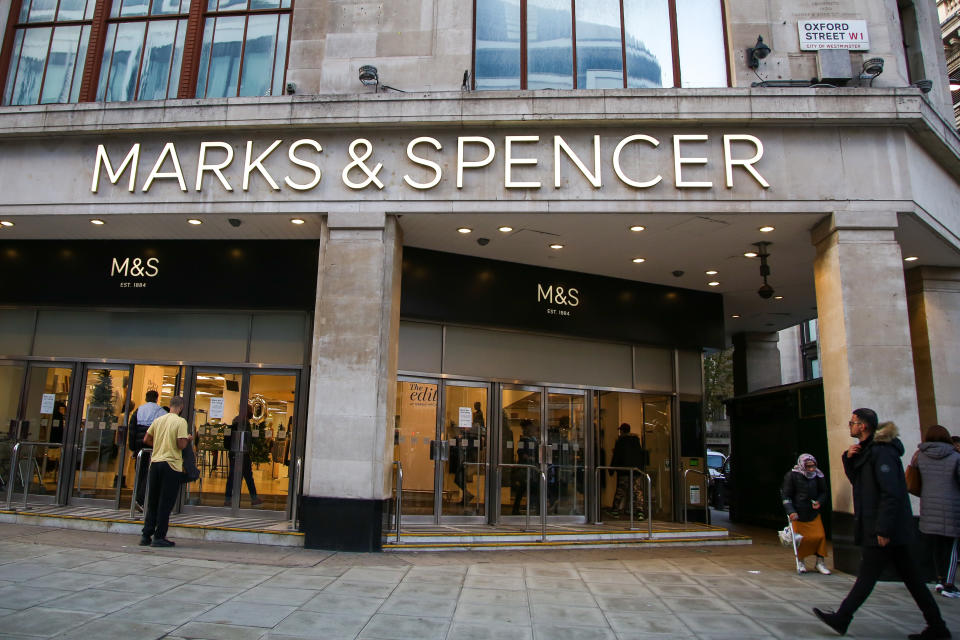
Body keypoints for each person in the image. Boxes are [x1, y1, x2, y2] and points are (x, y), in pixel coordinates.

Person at [813, 409, 950, 640]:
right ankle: (937, 626)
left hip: (886, 529)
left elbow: (891, 493)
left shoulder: (882, 452)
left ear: (863, 426)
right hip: (884, 527)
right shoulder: (867, 452)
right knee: (913, 581)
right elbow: (859, 482)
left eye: (853, 422)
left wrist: (883, 529)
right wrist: (848, 458)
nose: (850, 426)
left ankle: (843, 617)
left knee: (868, 577)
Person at [914, 424, 960, 599]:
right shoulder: (955, 457)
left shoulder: (920, 456)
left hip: (928, 507)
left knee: (937, 546)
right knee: (952, 548)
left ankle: (940, 579)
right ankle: (949, 584)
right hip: (952, 507)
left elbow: (916, 480)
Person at [139, 396, 189, 548]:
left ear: (170, 405)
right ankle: (159, 536)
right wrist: (188, 439)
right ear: (181, 407)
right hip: (171, 465)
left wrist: (159, 444)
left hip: (155, 463)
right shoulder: (180, 422)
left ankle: (146, 535)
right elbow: (181, 445)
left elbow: (146, 439)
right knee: (165, 502)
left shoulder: (159, 420)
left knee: (153, 500)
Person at [782, 453, 831, 575]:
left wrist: (819, 501)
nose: (811, 469)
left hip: (813, 512)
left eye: (813, 466)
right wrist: (791, 511)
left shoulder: (818, 475)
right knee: (801, 539)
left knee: (820, 537)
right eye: (808, 466)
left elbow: (824, 492)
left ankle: (820, 562)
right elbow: (786, 495)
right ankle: (801, 561)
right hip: (798, 513)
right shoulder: (792, 475)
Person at [131, 390, 166, 508]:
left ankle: (136, 496)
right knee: (149, 473)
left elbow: (132, 430)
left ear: (146, 398)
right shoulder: (160, 411)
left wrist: (133, 447)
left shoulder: (138, 410)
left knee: (139, 472)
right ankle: (142, 499)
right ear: (157, 398)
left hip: (139, 446)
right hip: (152, 446)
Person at [224, 405, 262, 507]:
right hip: (242, 453)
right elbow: (248, 438)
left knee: (234, 476)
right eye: (250, 411)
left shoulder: (235, 420)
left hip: (234, 452)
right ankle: (253, 498)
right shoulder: (244, 422)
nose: (251, 413)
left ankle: (229, 499)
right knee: (247, 476)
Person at [608, 423, 646, 519]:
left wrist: (611, 469)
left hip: (624, 470)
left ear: (622, 431)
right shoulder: (636, 441)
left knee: (621, 490)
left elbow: (616, 456)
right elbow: (640, 455)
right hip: (636, 470)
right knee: (637, 491)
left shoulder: (620, 441)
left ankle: (615, 510)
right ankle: (640, 511)